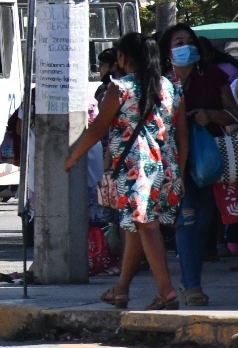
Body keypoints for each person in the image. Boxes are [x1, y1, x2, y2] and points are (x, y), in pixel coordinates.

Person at [64, 32, 185, 310]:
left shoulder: (120, 87)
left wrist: (73, 157)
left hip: (136, 166)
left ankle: (166, 291)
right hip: (166, 165)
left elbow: (97, 128)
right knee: (132, 228)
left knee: (146, 226)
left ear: (123, 57)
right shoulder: (171, 87)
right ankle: (121, 290)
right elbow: (183, 133)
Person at [160, 23, 238, 306]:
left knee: (203, 220)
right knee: (189, 219)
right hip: (174, 162)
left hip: (210, 161)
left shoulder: (213, 76)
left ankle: (190, 282)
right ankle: (191, 285)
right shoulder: (163, 83)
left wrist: (210, 115)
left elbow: (233, 114)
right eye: (178, 42)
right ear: (168, 51)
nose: (185, 46)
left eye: (188, 41)